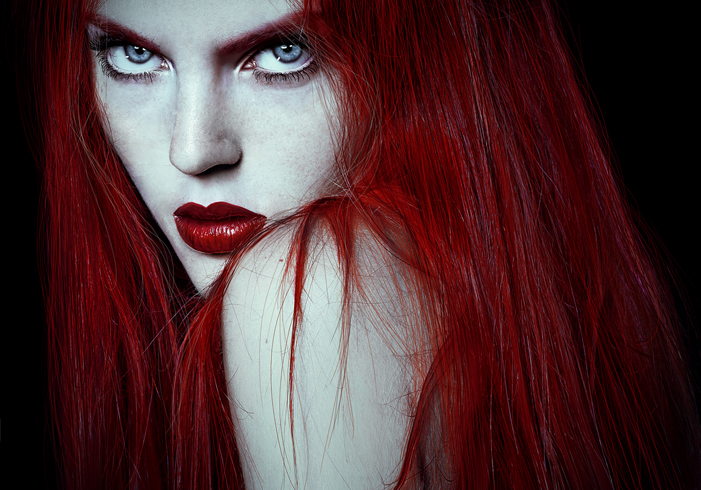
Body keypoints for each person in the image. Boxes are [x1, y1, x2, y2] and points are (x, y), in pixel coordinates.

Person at [20, 0, 700, 488]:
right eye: (133, 55)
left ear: (421, 60)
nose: (193, 149)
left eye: (284, 51)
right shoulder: (534, 314)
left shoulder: (311, 291)